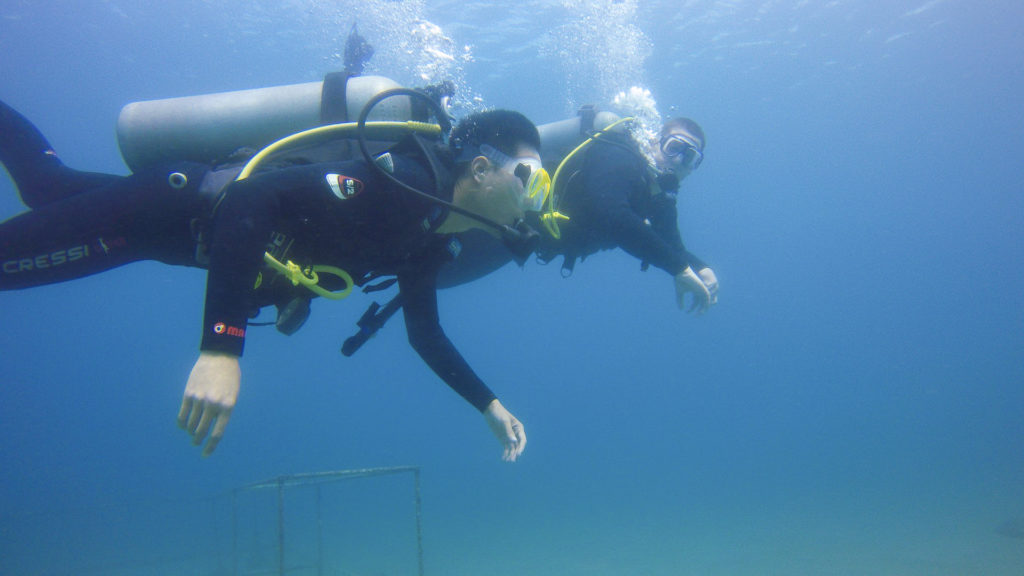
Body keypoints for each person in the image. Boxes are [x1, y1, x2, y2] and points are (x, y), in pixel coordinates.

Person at [0, 98, 543, 462]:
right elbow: (252, 196)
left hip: (173, 232)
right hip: (166, 209)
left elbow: (425, 332)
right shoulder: (403, 185)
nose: (532, 198)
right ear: (477, 170)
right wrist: (221, 348)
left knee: (49, 183)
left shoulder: (429, 231)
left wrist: (488, 405)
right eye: (528, 179)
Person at [437, 116, 718, 313]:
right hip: (503, 214)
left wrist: (700, 268)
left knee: (433, 276)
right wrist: (678, 269)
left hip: (518, 239)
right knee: (423, 263)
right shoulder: (619, 155)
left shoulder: (660, 196)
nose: (679, 161)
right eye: (675, 148)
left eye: (690, 157)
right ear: (655, 142)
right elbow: (611, 214)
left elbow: (670, 245)